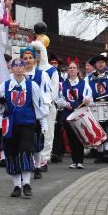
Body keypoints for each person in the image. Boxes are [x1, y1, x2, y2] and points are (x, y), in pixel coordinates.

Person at [0, 57, 48, 197]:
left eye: (21, 65)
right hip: (10, 126)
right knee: (12, 154)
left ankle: (27, 184)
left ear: (24, 68)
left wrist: (43, 123)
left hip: (27, 124)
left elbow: (39, 106)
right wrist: (0, 103)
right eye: (15, 66)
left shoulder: (32, 86)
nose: (18, 68)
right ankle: (17, 185)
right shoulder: (3, 87)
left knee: (25, 152)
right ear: (11, 68)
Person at [21, 45, 52, 180]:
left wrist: (43, 116)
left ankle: (38, 167)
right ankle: (27, 166)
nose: (28, 60)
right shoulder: (17, 75)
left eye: (30, 58)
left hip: (36, 114)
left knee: (37, 142)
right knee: (24, 142)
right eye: (25, 58)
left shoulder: (42, 75)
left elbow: (47, 94)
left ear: (35, 60)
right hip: (22, 114)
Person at [55, 60, 92, 168]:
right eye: (70, 68)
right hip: (67, 114)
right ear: (67, 70)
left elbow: (88, 95)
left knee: (79, 137)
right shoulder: (62, 84)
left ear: (77, 70)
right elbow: (58, 98)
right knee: (70, 137)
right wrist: (64, 103)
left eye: (74, 68)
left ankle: (80, 161)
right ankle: (74, 161)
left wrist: (87, 100)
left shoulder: (83, 83)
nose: (72, 70)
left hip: (79, 114)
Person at [88, 55, 108, 163]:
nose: (100, 64)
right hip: (94, 107)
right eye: (98, 62)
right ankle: (100, 153)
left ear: (105, 64)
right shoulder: (89, 78)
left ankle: (107, 152)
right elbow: (87, 93)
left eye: (102, 62)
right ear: (95, 65)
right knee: (97, 129)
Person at [34, 40, 59, 173]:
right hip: (32, 108)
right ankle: (34, 160)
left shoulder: (51, 70)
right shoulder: (31, 70)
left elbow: (54, 90)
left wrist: (45, 102)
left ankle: (44, 159)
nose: (37, 56)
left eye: (39, 52)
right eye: (35, 53)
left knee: (47, 133)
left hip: (47, 107)